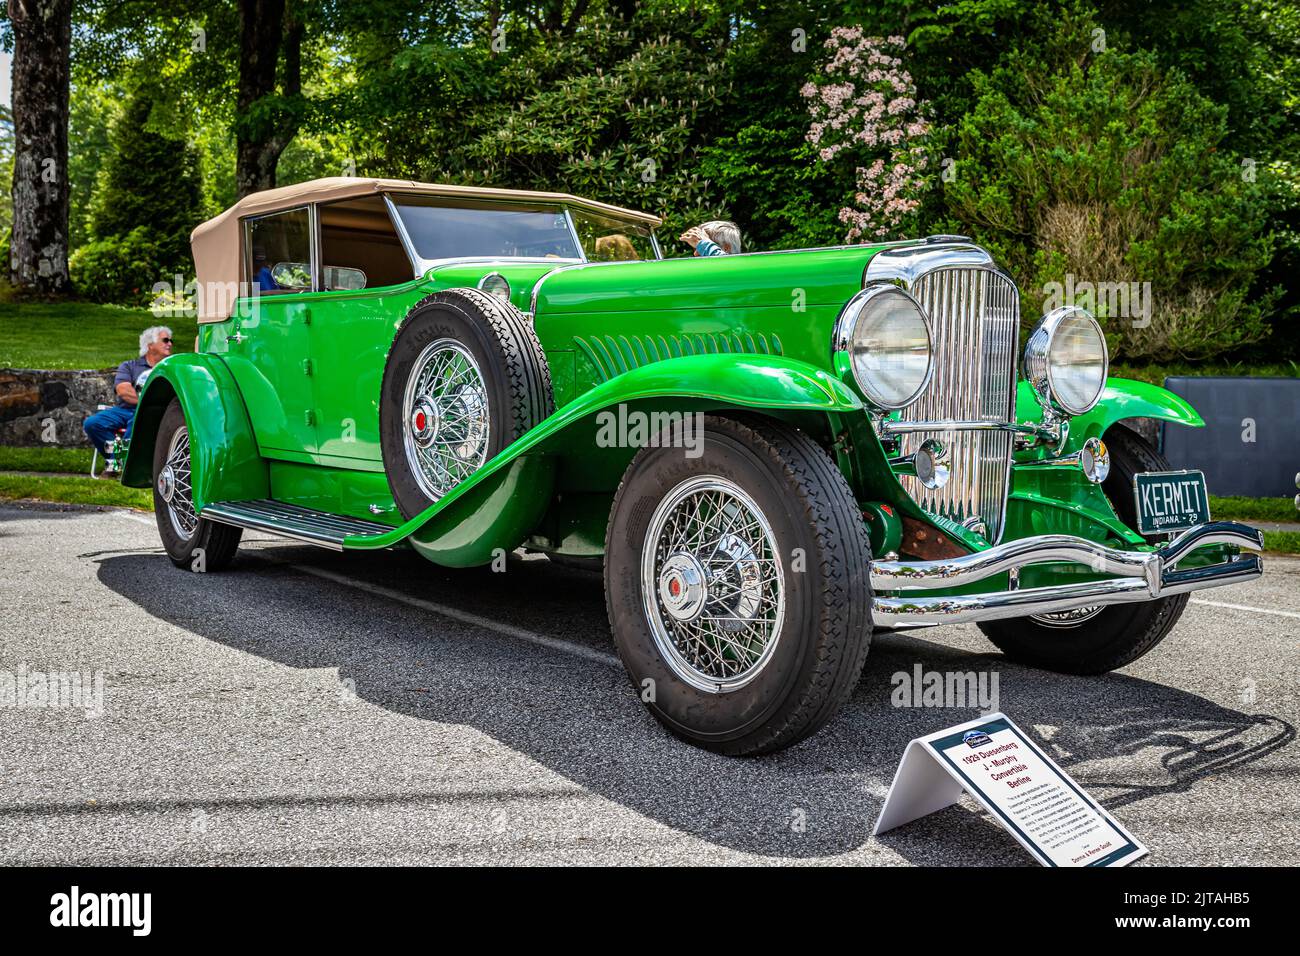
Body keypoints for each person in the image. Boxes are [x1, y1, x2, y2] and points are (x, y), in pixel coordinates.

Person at [83, 326, 173, 473]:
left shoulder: (170, 368)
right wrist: (148, 400)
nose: (170, 343)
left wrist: (149, 405)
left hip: (154, 413)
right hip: (125, 410)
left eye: (170, 340)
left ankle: (120, 468)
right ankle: (118, 463)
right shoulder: (130, 366)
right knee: (93, 423)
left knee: (136, 421)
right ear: (150, 345)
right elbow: (123, 390)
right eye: (165, 340)